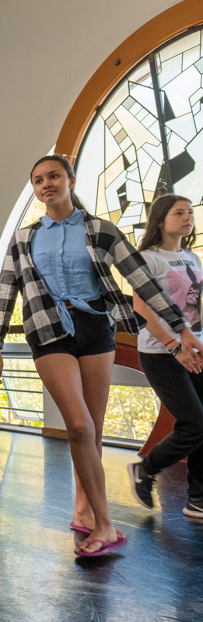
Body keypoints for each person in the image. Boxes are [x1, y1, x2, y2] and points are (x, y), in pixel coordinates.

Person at [0, 155, 203, 557]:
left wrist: (182, 327)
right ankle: (105, 524)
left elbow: (141, 279)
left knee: (95, 428)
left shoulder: (99, 230)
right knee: (79, 426)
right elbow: (5, 290)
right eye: (38, 180)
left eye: (53, 176)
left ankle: (84, 510)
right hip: (48, 330)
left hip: (95, 328)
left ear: (70, 180)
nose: (46, 184)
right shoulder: (23, 238)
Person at [126, 194, 203, 519]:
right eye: (179, 212)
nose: (188, 217)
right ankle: (146, 469)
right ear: (160, 220)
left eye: (190, 212)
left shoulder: (192, 257)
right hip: (162, 352)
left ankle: (198, 499)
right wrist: (175, 346)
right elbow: (142, 309)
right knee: (194, 423)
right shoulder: (148, 258)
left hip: (195, 349)